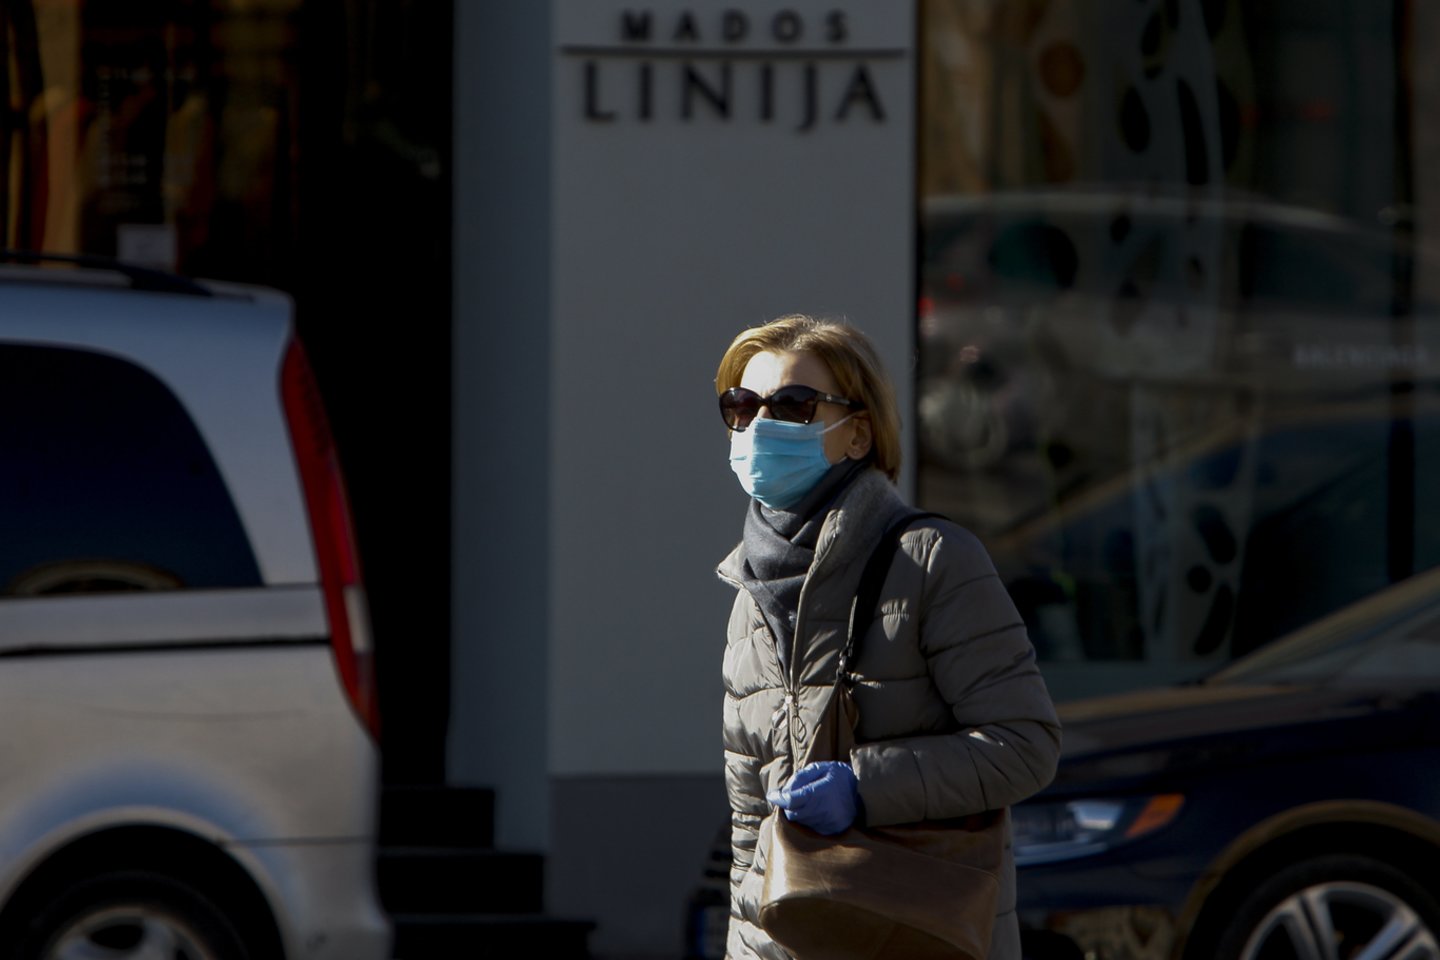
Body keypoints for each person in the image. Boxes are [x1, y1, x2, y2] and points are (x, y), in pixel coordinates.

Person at [714, 314, 1061, 960]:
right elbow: (748, 830)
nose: (760, 425)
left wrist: (864, 787)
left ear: (858, 433)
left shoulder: (933, 560)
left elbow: (1025, 745)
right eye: (742, 406)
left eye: (792, 405)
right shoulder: (748, 593)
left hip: (915, 932)